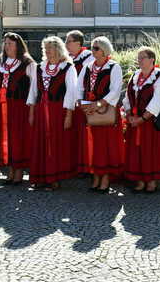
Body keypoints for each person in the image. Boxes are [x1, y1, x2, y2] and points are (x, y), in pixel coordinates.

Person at [0, 32, 37, 186]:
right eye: (5, 43)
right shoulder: (0, 62)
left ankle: (18, 171)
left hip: (19, 106)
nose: (7, 46)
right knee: (5, 137)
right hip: (2, 107)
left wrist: (32, 108)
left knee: (18, 138)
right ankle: (10, 171)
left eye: (10, 44)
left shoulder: (28, 63)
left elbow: (34, 88)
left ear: (18, 45)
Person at [28, 36, 78, 191]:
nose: (47, 51)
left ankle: (54, 178)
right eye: (45, 49)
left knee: (56, 145)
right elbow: (33, 91)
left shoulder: (68, 68)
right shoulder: (40, 67)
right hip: (42, 110)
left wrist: (69, 115)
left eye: (50, 48)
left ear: (58, 49)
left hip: (59, 111)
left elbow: (71, 93)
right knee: (41, 143)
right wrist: (31, 113)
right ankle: (41, 177)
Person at [123, 46, 160, 193]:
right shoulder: (135, 76)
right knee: (138, 151)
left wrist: (142, 118)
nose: (139, 60)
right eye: (138, 58)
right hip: (135, 121)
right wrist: (129, 114)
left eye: (142, 58)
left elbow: (158, 101)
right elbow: (127, 98)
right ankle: (140, 180)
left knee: (152, 152)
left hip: (152, 123)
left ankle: (151, 181)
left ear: (152, 59)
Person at [76, 36, 124, 193]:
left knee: (105, 145)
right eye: (92, 48)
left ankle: (105, 178)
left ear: (104, 50)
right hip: (90, 110)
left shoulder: (113, 67)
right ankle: (95, 176)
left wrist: (99, 104)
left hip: (105, 111)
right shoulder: (88, 66)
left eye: (96, 48)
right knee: (93, 145)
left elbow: (116, 90)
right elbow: (79, 86)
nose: (93, 51)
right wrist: (80, 102)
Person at [65, 30, 94, 176]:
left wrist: (82, 100)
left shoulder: (88, 57)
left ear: (78, 43)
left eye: (69, 41)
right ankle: (73, 164)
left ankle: (85, 166)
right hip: (69, 100)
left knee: (84, 134)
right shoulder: (67, 58)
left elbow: (87, 80)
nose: (66, 44)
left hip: (83, 101)